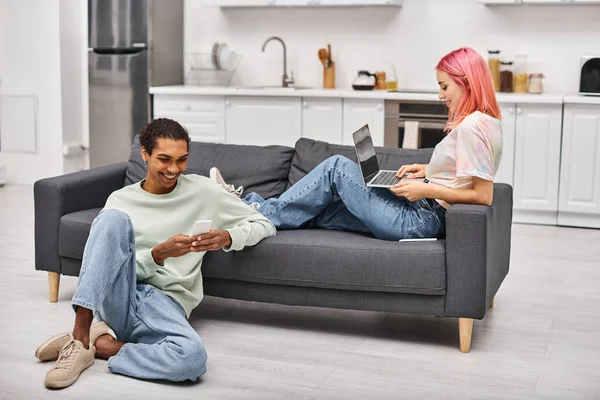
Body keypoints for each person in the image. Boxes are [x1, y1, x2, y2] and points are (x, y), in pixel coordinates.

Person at [35, 118, 276, 389]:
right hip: (120, 296)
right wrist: (158, 254)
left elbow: (264, 223)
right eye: (164, 159)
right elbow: (110, 266)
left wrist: (228, 237)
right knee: (112, 219)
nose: (174, 169)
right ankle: (80, 335)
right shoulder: (121, 200)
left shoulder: (205, 192)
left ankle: (101, 346)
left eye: (182, 160)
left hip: (166, 302)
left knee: (192, 359)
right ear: (145, 154)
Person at [211, 47, 502, 241]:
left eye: (444, 86)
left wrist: (426, 188)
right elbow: (464, 176)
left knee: (337, 167)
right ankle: (245, 208)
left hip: (422, 220)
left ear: (466, 82)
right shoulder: (484, 122)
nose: (440, 95)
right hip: (425, 211)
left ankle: (241, 207)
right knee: (321, 210)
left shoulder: (472, 128)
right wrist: (425, 169)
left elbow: (483, 195)